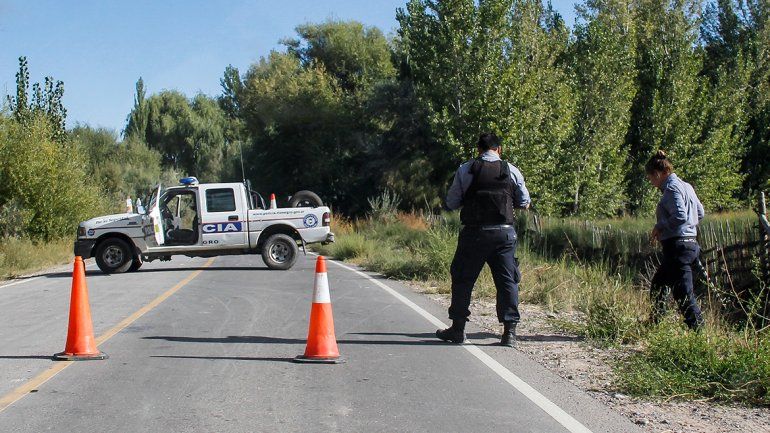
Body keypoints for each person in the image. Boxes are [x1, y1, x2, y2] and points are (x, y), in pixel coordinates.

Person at [436, 132, 530, 346]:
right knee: (507, 281)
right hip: (504, 234)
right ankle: (509, 333)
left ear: (478, 150)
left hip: (474, 234)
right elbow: (524, 202)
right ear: (499, 149)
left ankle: (458, 330)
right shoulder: (511, 170)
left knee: (463, 279)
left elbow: (452, 201)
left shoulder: (466, 168)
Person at [646, 150, 705, 330]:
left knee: (683, 293)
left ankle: (698, 332)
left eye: (651, 177)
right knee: (659, 285)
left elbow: (680, 215)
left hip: (677, 247)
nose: (651, 182)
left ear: (659, 174)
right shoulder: (687, 186)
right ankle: (655, 325)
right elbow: (700, 213)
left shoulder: (671, 189)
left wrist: (660, 226)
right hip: (690, 244)